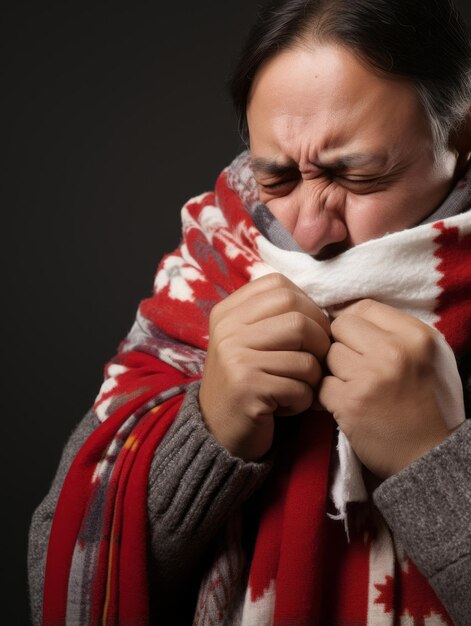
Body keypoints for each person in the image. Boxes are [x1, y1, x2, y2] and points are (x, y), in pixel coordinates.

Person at [29, 0, 471, 624]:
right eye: (279, 179)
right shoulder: (208, 274)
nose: (312, 232)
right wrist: (209, 430)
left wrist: (436, 459)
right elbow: (61, 570)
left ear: (459, 137)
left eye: (356, 175)